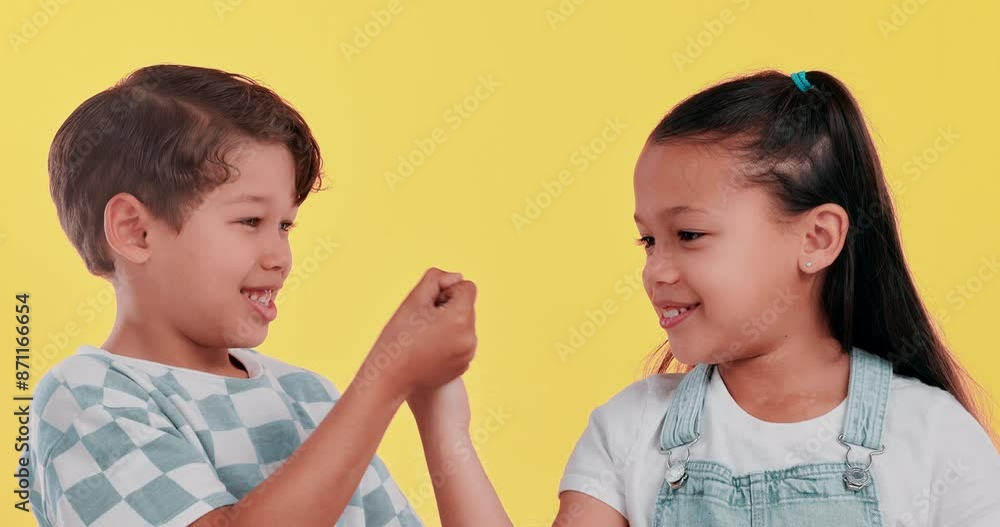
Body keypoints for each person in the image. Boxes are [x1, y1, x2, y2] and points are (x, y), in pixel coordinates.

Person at [24, 64, 508, 527]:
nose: (280, 257)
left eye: (285, 226)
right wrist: (385, 380)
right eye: (251, 221)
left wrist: (439, 417)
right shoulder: (87, 398)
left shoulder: (308, 396)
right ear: (136, 231)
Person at [554, 70, 1000, 526]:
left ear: (817, 239)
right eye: (648, 240)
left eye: (689, 234)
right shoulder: (629, 430)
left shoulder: (934, 438)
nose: (656, 271)